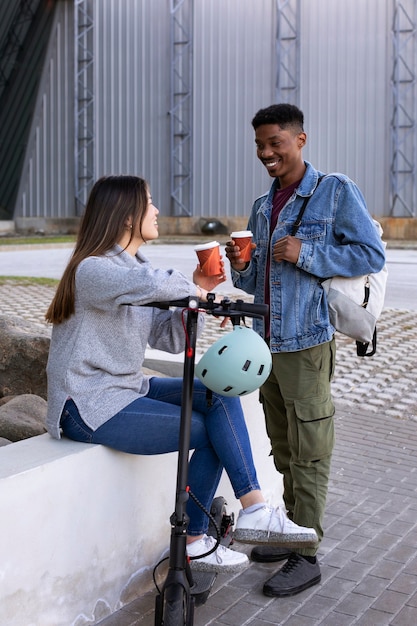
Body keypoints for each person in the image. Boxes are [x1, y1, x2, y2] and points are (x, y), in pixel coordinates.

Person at [45, 174, 318, 575]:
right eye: (150, 203)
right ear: (126, 217)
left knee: (218, 392)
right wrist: (197, 293)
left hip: (125, 389)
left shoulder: (134, 268)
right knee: (211, 431)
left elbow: (170, 338)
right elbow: (153, 283)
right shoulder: (95, 269)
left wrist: (198, 291)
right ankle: (193, 538)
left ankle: (254, 510)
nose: (157, 210)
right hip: (87, 403)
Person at [226, 104, 386, 594]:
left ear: (300, 140)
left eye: (275, 142)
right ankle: (293, 529)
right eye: (259, 145)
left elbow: (370, 253)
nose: (266, 153)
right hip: (265, 344)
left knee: (311, 448)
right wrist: (240, 263)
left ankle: (308, 551)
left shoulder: (334, 191)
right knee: (283, 445)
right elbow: (252, 279)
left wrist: (307, 253)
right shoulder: (261, 204)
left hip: (307, 342)